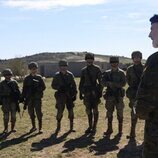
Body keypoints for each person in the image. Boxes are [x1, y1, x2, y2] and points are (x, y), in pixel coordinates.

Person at [136, 14, 158, 158]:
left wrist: (139, 111)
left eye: (152, 29)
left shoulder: (155, 60)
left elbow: (146, 101)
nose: (149, 34)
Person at [102, 57, 126, 136]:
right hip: (110, 96)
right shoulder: (107, 73)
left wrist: (114, 84)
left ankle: (120, 131)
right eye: (112, 62)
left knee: (120, 113)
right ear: (110, 63)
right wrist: (108, 83)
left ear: (118, 63)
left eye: (115, 62)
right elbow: (103, 82)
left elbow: (123, 83)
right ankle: (109, 129)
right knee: (109, 113)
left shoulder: (122, 73)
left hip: (118, 96)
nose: (114, 63)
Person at [79, 53, 102, 134]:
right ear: (86, 60)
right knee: (88, 110)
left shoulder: (97, 69)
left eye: (91, 59)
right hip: (86, 92)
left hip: (94, 92)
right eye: (88, 59)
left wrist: (100, 92)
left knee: (95, 109)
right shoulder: (83, 70)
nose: (89, 60)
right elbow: (81, 82)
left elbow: (100, 81)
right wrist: (80, 93)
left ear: (93, 60)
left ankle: (94, 127)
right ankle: (90, 126)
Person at [51, 60, 77, 133]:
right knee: (60, 111)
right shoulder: (56, 75)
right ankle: (58, 126)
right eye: (62, 66)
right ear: (59, 67)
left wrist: (74, 94)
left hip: (69, 96)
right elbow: (53, 86)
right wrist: (59, 87)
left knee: (71, 111)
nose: (63, 68)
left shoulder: (70, 75)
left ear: (67, 67)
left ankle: (71, 127)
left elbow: (74, 85)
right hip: (60, 96)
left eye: (65, 66)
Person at [21, 62, 46, 134]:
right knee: (31, 113)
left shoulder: (39, 77)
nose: (34, 70)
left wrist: (37, 89)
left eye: (35, 69)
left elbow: (43, 87)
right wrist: (22, 97)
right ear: (30, 69)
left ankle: (40, 128)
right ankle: (34, 126)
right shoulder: (27, 78)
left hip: (37, 98)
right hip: (29, 98)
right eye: (32, 69)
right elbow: (24, 89)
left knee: (39, 113)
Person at [126, 51, 144, 140]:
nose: (136, 59)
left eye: (138, 57)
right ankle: (132, 133)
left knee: (147, 114)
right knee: (133, 113)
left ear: (141, 58)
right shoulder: (129, 69)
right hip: (133, 95)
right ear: (132, 58)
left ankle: (147, 136)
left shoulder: (145, 68)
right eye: (135, 57)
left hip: (144, 95)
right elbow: (128, 81)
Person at [0, 69, 21, 133]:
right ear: (4, 75)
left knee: (13, 116)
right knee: (6, 116)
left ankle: (12, 128)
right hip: (5, 101)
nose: (8, 76)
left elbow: (19, 91)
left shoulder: (14, 82)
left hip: (13, 102)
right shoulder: (2, 83)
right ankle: (6, 128)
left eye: (9, 75)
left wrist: (18, 95)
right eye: (6, 75)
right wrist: (7, 94)